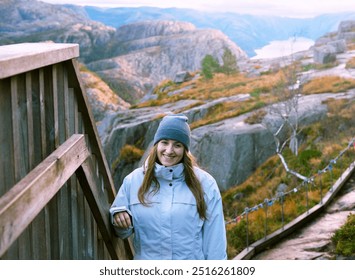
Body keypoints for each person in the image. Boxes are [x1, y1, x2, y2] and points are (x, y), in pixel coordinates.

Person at [109, 113, 227, 260]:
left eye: (177, 145)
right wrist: (118, 215)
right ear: (156, 144)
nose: (169, 150)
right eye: (164, 142)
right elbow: (122, 232)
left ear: (185, 150)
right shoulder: (133, 181)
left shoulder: (206, 184)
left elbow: (215, 244)